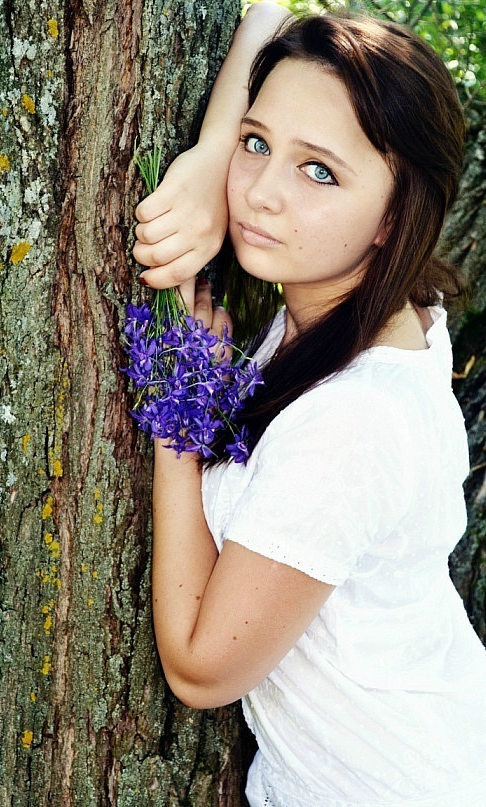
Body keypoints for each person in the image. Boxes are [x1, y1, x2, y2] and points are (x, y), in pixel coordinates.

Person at [134, 7, 486, 806]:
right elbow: (267, 15)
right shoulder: (381, 312)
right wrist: (211, 157)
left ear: (395, 215)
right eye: (258, 144)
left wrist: (180, 416)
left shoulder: (352, 422)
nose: (260, 194)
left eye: (319, 172)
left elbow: (200, 668)